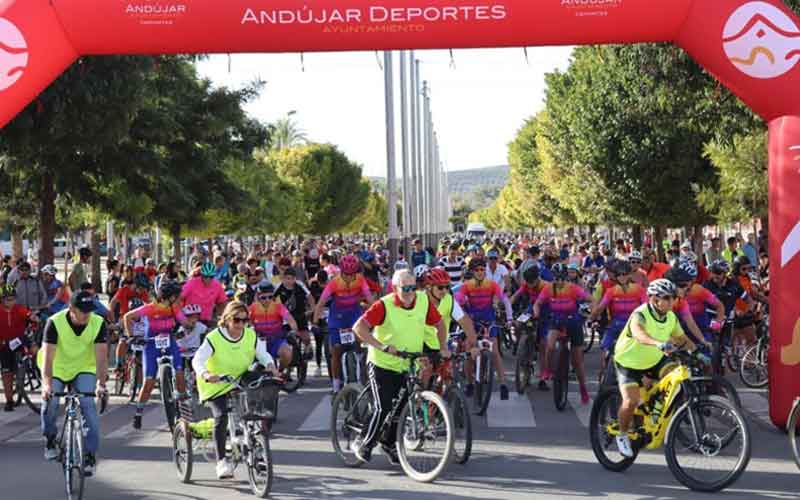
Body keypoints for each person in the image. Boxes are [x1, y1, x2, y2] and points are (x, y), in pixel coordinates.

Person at [350, 269, 449, 463]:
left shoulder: (422, 301)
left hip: (407, 363)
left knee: (403, 406)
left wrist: (442, 347)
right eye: (405, 289)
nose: (410, 293)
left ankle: (389, 442)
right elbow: (359, 327)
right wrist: (382, 346)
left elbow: (439, 324)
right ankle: (365, 443)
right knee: (383, 406)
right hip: (382, 364)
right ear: (395, 288)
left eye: (413, 287)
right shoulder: (383, 305)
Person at [613, 279, 702, 457]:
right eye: (667, 298)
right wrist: (658, 343)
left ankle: (656, 411)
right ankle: (622, 435)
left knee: (675, 375)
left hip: (654, 360)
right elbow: (639, 333)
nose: (672, 302)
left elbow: (681, 339)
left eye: (674, 298)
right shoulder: (641, 314)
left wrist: (698, 353)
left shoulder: (671, 317)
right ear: (654, 299)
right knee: (630, 401)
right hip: (628, 362)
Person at [193, 301, 278, 478]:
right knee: (221, 415)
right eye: (236, 320)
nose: (241, 324)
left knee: (266, 394)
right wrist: (206, 374)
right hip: (216, 383)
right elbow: (197, 360)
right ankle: (221, 461)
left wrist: (270, 365)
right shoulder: (214, 337)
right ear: (227, 320)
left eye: (245, 320)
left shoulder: (250, 335)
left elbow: (262, 354)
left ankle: (258, 444)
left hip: (239, 377)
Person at [39, 291, 108, 475]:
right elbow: (47, 359)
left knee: (87, 404)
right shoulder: (54, 322)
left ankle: (90, 454)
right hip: (58, 367)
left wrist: (101, 384)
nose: (87, 315)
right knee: (50, 402)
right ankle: (51, 439)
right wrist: (46, 385)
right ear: (71, 309)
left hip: (84, 366)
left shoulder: (98, 323)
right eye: (83, 311)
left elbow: (101, 359)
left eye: (90, 310)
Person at [124, 281, 186, 429]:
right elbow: (128, 317)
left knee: (179, 370)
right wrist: (131, 335)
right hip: (151, 343)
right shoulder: (150, 308)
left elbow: (183, 321)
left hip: (169, 339)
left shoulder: (174, 307)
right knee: (149, 380)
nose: (179, 298)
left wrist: (186, 327)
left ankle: (182, 401)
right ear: (169, 297)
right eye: (177, 296)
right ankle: (139, 412)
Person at [311, 255, 375, 394]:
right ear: (341, 271)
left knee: (361, 343)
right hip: (337, 317)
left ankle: (364, 374)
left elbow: (370, 299)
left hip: (354, 315)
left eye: (353, 274)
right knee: (336, 352)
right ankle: (335, 386)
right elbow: (321, 303)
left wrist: (379, 314)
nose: (349, 277)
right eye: (346, 274)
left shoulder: (360, 280)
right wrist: (315, 322)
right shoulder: (334, 283)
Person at [533, 263, 596, 404]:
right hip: (556, 320)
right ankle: (548, 370)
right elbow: (537, 303)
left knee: (577, 361)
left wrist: (591, 313)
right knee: (549, 345)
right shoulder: (548, 288)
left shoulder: (573, 288)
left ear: (566, 278)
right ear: (553, 278)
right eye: (557, 279)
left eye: (562, 279)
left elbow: (591, 299)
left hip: (573, 321)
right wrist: (536, 313)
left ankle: (583, 388)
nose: (560, 282)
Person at [454, 258, 514, 400]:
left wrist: (510, 318)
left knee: (495, 352)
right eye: (477, 270)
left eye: (482, 270)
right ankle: (469, 383)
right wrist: (461, 302)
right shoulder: (466, 286)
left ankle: (503, 384)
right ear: (472, 272)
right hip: (472, 321)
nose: (480, 273)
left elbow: (504, 300)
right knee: (469, 352)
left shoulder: (492, 285)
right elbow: (457, 299)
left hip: (489, 319)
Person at [510, 267, 551, 390]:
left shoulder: (546, 286)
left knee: (543, 346)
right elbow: (515, 296)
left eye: (531, 283)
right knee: (517, 324)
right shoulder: (527, 284)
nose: (529, 286)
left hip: (546, 313)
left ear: (537, 279)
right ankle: (522, 347)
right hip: (531, 309)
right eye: (527, 283)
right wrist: (506, 305)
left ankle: (543, 379)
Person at [0, 284, 39, 411]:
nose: (10, 302)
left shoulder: (20, 309)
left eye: (12, 299)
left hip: (19, 340)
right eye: (7, 300)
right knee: (7, 373)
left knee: (34, 349)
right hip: (4, 344)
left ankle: (36, 368)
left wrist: (33, 321)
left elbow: (33, 319)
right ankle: (9, 400)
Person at [248, 282, 299, 370]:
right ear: (258, 297)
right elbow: (246, 323)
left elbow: (291, 320)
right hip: (259, 341)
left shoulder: (278, 306)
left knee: (287, 353)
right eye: (263, 298)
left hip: (277, 339)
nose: (267, 300)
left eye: (270, 297)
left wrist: (293, 330)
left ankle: (280, 371)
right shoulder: (252, 308)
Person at [178, 262, 228, 327]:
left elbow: (223, 303)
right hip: (190, 319)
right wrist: (181, 317)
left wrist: (223, 317)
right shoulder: (192, 283)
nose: (208, 279)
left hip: (206, 320)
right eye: (205, 276)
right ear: (201, 275)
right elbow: (179, 298)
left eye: (211, 277)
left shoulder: (217, 285)